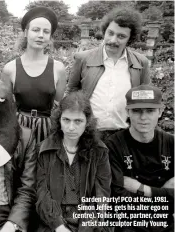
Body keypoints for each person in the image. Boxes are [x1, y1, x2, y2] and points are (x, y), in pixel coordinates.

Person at [66, 7, 150, 140]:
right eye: (110, 33)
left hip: (124, 134)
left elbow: (145, 100)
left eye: (121, 36)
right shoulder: (83, 59)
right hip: (89, 133)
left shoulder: (141, 63)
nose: (113, 40)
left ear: (130, 39)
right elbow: (72, 92)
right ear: (104, 31)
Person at [35, 91, 111, 232]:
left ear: (87, 122)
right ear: (59, 120)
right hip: (52, 222)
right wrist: (59, 226)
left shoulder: (99, 152)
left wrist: (88, 226)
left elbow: (102, 195)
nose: (71, 127)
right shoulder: (44, 150)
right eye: (66, 120)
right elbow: (42, 194)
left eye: (78, 121)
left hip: (88, 221)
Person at [106, 85, 174, 232]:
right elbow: (118, 200)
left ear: (160, 111)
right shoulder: (113, 146)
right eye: (137, 111)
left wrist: (143, 189)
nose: (143, 118)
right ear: (128, 111)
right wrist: (164, 195)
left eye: (150, 111)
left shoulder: (171, 144)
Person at [1, 6, 67, 144]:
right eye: (36, 30)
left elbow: (58, 105)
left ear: (50, 36)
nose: (41, 35)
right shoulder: (10, 69)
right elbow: (6, 107)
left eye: (46, 31)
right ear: (26, 32)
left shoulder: (58, 69)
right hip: (19, 130)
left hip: (48, 130)